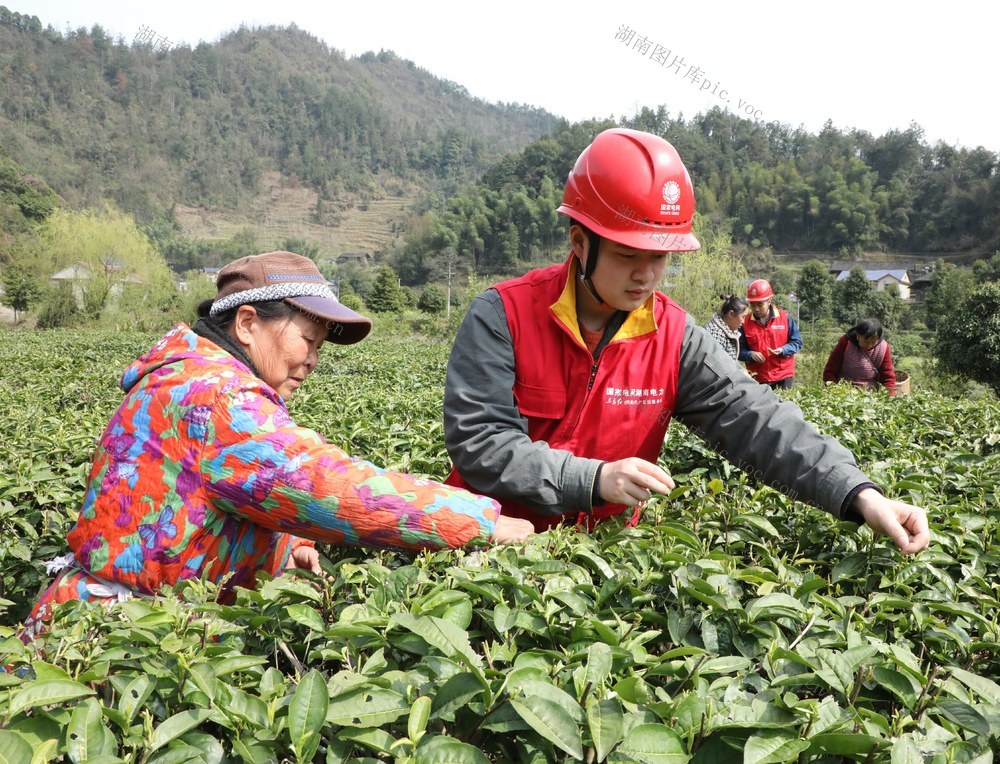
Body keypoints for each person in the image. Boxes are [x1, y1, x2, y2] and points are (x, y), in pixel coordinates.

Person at [442, 128, 928, 557]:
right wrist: (591, 480)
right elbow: (482, 443)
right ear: (579, 243)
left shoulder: (672, 335)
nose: (646, 275)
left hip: (600, 558)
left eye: (660, 257)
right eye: (629, 253)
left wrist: (860, 493)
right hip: (493, 547)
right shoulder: (502, 315)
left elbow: (756, 418)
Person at [23, 251, 533, 640]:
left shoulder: (189, 379)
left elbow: (216, 500)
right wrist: (480, 521)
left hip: (103, 625)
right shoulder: (216, 398)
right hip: (106, 646)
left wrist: (287, 547)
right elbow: (326, 486)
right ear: (247, 323)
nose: (312, 358)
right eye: (307, 339)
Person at [738, 279, 802, 389]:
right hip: (757, 378)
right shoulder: (745, 322)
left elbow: (797, 342)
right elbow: (738, 350)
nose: (756, 309)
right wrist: (750, 355)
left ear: (769, 301)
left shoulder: (785, 318)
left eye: (760, 304)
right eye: (752, 305)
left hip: (783, 376)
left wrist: (783, 350)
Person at [823, 318, 897, 394]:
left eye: (873, 342)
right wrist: (833, 392)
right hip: (843, 393)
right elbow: (830, 371)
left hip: (870, 395)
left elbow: (888, 378)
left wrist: (886, 398)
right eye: (866, 341)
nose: (869, 345)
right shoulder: (845, 342)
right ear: (858, 336)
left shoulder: (883, 348)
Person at [704, 294, 749, 360]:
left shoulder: (728, 330)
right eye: (743, 317)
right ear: (731, 314)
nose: (743, 321)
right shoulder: (715, 334)